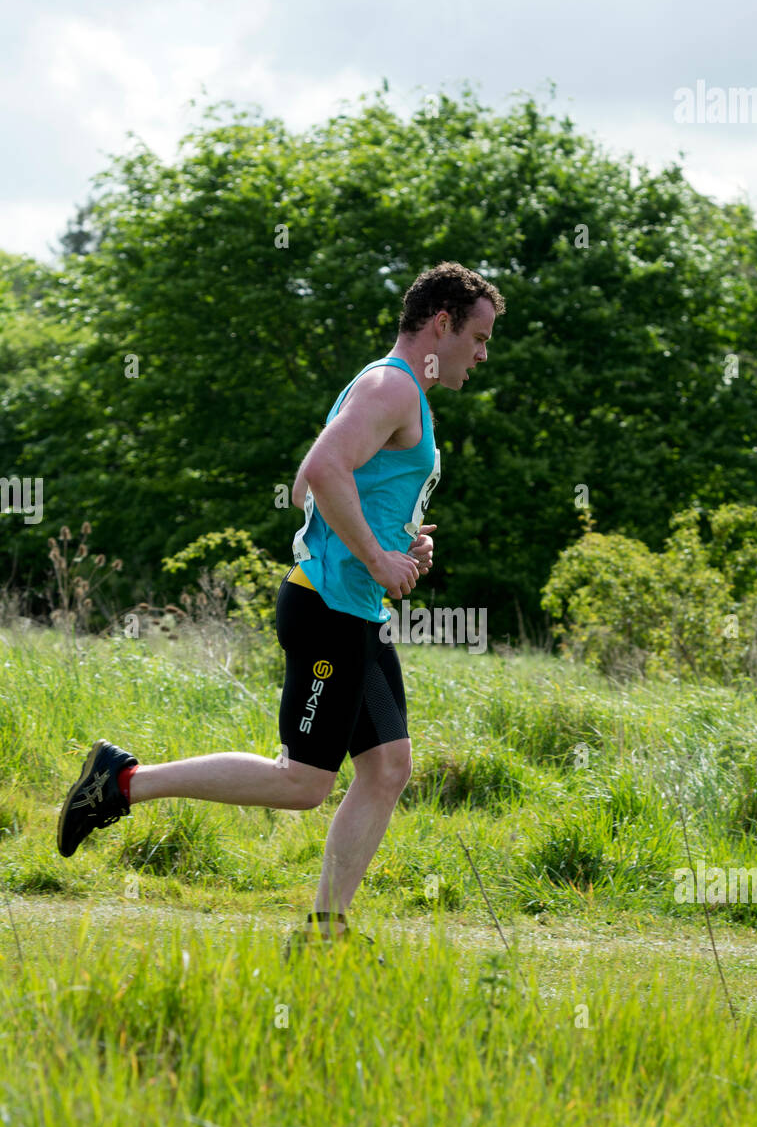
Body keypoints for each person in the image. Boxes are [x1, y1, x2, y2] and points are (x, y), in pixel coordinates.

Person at [56, 261, 505, 958]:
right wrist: (380, 560)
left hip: (354, 610)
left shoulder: (404, 394)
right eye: (478, 337)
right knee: (302, 781)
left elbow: (339, 484)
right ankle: (120, 782)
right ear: (441, 324)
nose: (482, 354)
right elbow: (317, 476)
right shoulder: (390, 385)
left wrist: (398, 544)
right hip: (327, 609)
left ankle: (325, 934)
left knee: (388, 768)